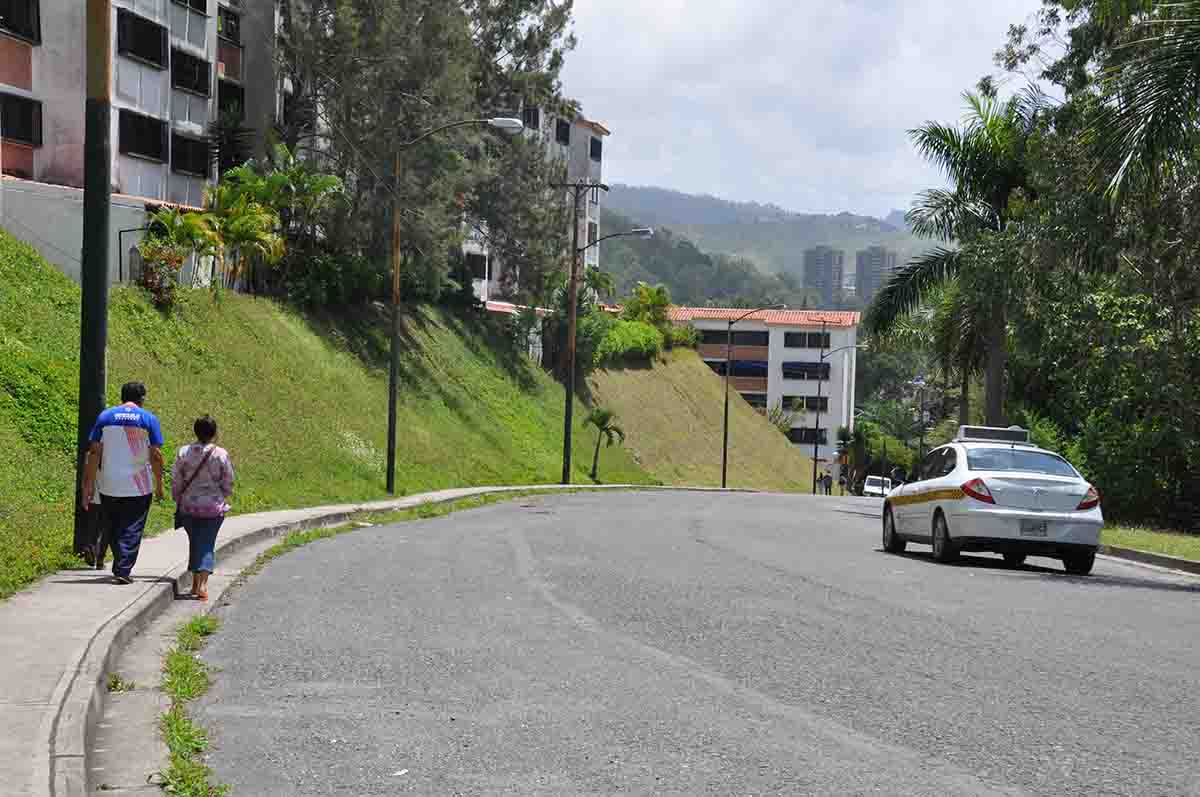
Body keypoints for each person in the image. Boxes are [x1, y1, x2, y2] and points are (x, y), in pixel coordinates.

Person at [82, 381, 165, 585]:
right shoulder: (148, 419)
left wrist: (89, 485)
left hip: (109, 484)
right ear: (142, 398)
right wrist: (160, 483)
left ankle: (121, 564)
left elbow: (94, 452)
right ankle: (123, 568)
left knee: (113, 524)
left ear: (122, 396)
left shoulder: (106, 417)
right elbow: (155, 455)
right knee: (132, 527)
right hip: (139, 486)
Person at [172, 415, 234, 601]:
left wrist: (178, 497)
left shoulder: (183, 452)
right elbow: (228, 479)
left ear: (195, 431)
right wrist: (223, 493)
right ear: (214, 433)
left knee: (196, 542)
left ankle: (194, 584)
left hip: (189, 506)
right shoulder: (220, 454)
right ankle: (203, 585)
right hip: (213, 507)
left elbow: (176, 478)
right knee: (206, 543)